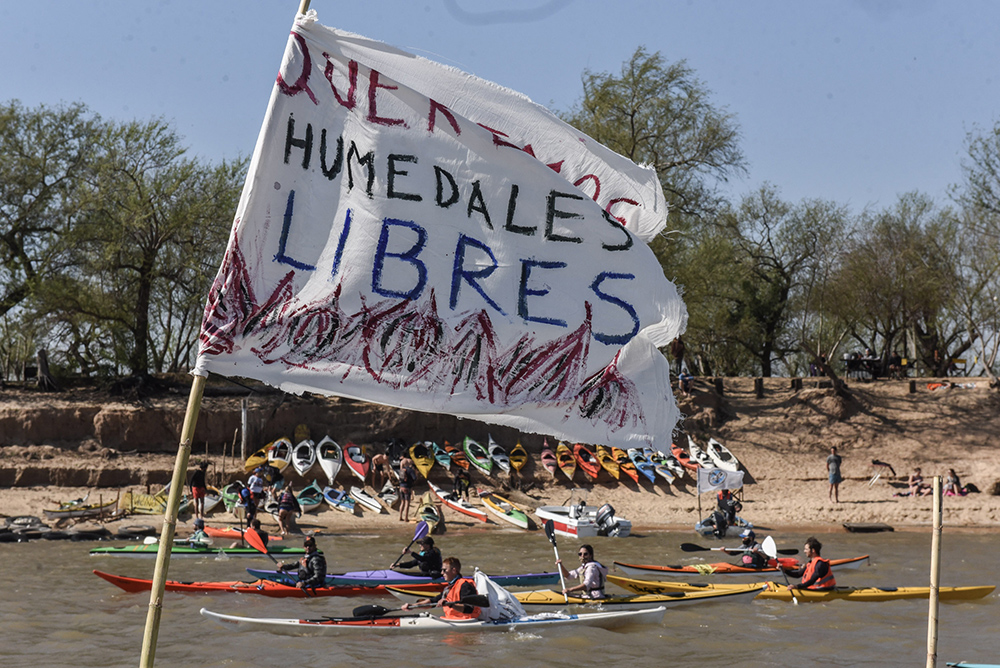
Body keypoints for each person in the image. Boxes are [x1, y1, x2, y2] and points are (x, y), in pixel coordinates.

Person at [400, 556, 482, 620]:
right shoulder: (448, 588)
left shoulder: (465, 585)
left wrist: (450, 604)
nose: (442, 573)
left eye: (444, 570)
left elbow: (469, 609)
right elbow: (432, 602)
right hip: (454, 620)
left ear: (454, 570)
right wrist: (412, 606)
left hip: (468, 620)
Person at [398, 457, 417, 522]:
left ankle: (400, 517)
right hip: (407, 488)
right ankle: (406, 518)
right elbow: (414, 478)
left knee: (402, 502)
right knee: (407, 503)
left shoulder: (402, 470)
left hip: (401, 487)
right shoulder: (411, 470)